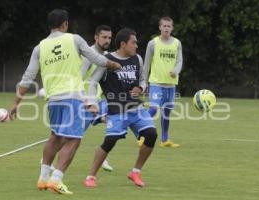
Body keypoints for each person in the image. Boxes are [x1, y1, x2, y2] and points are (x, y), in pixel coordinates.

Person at [9, 9, 121, 195]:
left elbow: (27, 77)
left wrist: (16, 103)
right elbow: (96, 58)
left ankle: (43, 178)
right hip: (73, 97)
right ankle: (56, 179)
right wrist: (113, 64)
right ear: (65, 24)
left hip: (53, 99)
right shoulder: (74, 39)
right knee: (74, 139)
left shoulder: (40, 47)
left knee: (55, 136)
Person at [83, 28, 157, 188]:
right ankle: (91, 176)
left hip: (136, 108)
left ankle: (135, 172)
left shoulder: (137, 58)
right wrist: (92, 102)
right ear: (123, 44)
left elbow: (144, 80)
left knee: (151, 134)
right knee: (110, 142)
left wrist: (142, 88)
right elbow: (92, 82)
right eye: (133, 42)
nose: (136, 45)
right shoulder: (106, 60)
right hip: (116, 110)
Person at [143, 16, 183, 148]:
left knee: (167, 112)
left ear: (172, 28)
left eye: (169, 26)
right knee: (153, 109)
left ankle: (165, 139)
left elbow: (179, 61)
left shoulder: (177, 43)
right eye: (164, 26)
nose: (166, 28)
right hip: (156, 83)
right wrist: (143, 81)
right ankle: (142, 135)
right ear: (160, 27)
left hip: (171, 84)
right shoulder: (152, 43)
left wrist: (176, 71)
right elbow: (146, 64)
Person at [81, 25, 114, 172]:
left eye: (109, 38)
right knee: (74, 135)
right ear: (96, 38)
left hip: (98, 100)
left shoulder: (106, 55)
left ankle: (102, 156)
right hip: (85, 100)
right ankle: (47, 159)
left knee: (114, 120)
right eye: (104, 37)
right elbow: (79, 78)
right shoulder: (88, 54)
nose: (107, 40)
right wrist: (85, 101)